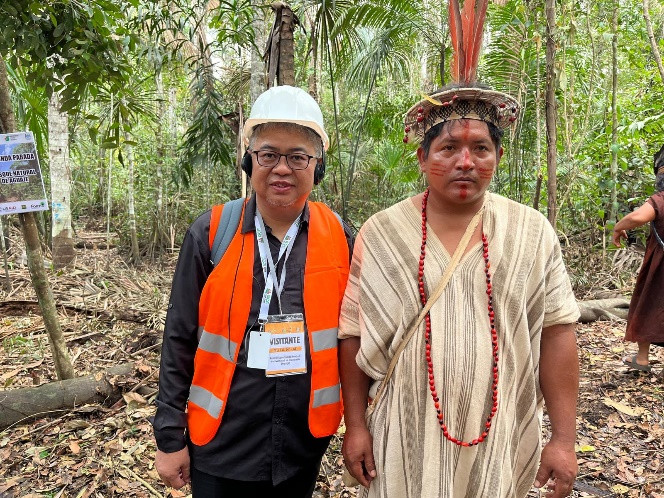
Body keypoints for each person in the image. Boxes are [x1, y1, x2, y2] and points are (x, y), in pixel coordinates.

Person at [338, 80, 580, 498]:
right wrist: (356, 427)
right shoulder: (384, 232)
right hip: (402, 433)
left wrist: (563, 439)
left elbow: (557, 332)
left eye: (481, 148)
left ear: (498, 156)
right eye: (449, 148)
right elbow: (352, 332)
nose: (465, 161)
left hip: (498, 432)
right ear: (422, 156)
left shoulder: (531, 232)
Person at [153, 85, 353, 497]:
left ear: (318, 167)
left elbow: (354, 338)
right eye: (268, 154)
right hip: (220, 443)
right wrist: (169, 437)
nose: (282, 168)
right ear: (249, 160)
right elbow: (178, 339)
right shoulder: (212, 232)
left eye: (298, 156)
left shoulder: (341, 238)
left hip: (302, 442)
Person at [612, 144, 664, 372]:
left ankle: (642, 359)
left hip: (659, 268)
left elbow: (638, 217)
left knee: (648, 305)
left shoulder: (661, 199)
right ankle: (642, 359)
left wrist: (618, 226)